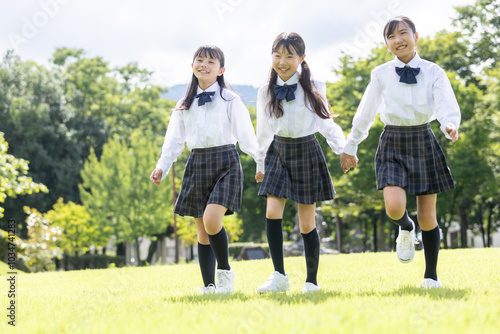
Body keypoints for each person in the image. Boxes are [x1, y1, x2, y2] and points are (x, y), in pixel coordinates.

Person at [340, 16, 460, 289]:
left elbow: (444, 104)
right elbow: (366, 112)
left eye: (403, 33)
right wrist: (351, 145)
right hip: (392, 140)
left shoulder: (433, 71)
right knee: (394, 207)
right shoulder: (381, 73)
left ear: (416, 37)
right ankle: (406, 227)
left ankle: (431, 276)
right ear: (386, 44)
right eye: (391, 36)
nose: (398, 40)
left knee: (428, 215)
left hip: (423, 138)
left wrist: (449, 125)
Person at [150, 45, 263, 294]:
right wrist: (162, 167)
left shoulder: (230, 100)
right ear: (192, 66)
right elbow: (174, 141)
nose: (204, 64)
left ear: (221, 70)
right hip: (197, 162)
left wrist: (261, 161)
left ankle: (225, 274)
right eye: (199, 60)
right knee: (202, 231)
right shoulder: (183, 103)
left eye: (211, 62)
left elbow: (247, 137)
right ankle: (209, 286)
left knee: (213, 220)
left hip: (226, 161)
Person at [255, 32, 346, 293]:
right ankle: (279, 275)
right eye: (277, 55)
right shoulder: (265, 91)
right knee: (272, 212)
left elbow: (327, 124)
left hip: (306, 149)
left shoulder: (315, 85)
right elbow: (263, 131)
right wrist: (260, 163)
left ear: (301, 58)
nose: (282, 62)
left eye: (289, 56)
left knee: (307, 223)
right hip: (278, 152)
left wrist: (343, 149)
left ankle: (311, 281)